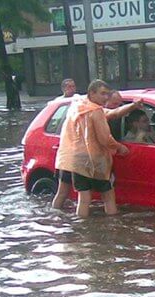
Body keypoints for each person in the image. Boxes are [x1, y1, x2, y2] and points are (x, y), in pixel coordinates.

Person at [54, 79, 129, 218]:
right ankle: (112, 226)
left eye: (107, 94)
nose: (106, 97)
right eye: (103, 94)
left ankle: (71, 224)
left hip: (71, 157)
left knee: (81, 197)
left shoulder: (78, 105)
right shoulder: (96, 111)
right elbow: (104, 138)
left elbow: (115, 113)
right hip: (93, 160)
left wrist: (133, 106)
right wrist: (119, 147)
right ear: (92, 93)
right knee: (108, 196)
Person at [51, 78, 79, 209]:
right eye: (69, 87)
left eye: (73, 86)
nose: (72, 89)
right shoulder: (60, 104)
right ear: (63, 89)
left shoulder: (79, 99)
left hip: (69, 157)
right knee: (65, 191)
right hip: (69, 157)